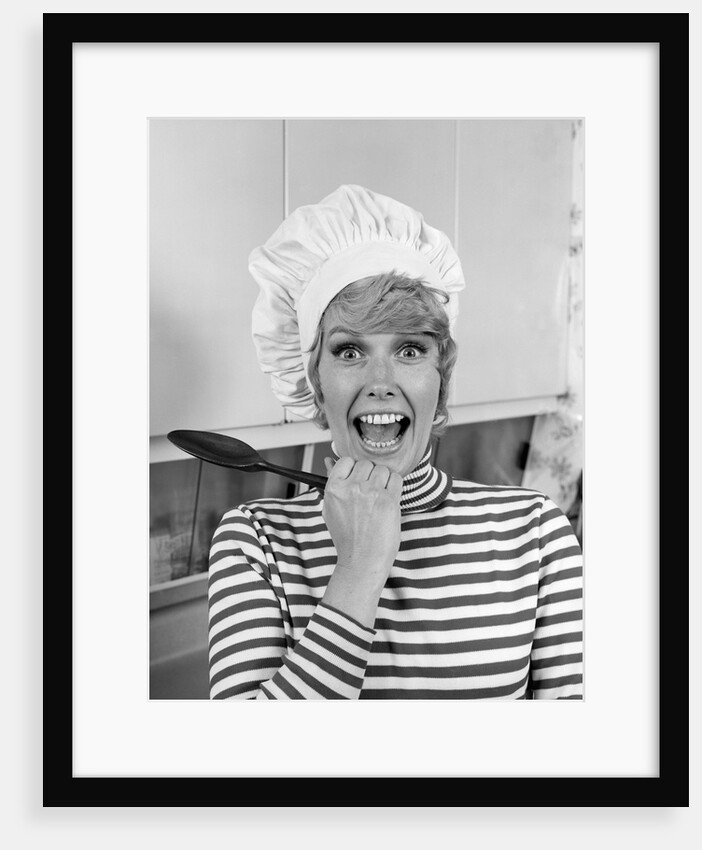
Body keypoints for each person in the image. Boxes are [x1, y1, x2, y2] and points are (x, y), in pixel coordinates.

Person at [207, 184, 583, 700]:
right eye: (349, 351)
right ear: (315, 385)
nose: (381, 380)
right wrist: (360, 567)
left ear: (441, 382)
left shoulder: (535, 532)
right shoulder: (257, 542)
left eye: (409, 350)